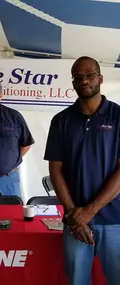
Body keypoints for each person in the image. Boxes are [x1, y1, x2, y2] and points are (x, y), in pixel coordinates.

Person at [44, 56, 120, 285]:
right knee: (77, 281)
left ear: (100, 78)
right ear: (73, 82)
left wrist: (91, 210)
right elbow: (55, 170)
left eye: (89, 75)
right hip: (74, 221)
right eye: (78, 77)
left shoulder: (119, 117)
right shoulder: (61, 120)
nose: (84, 80)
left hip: (114, 220)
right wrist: (75, 216)